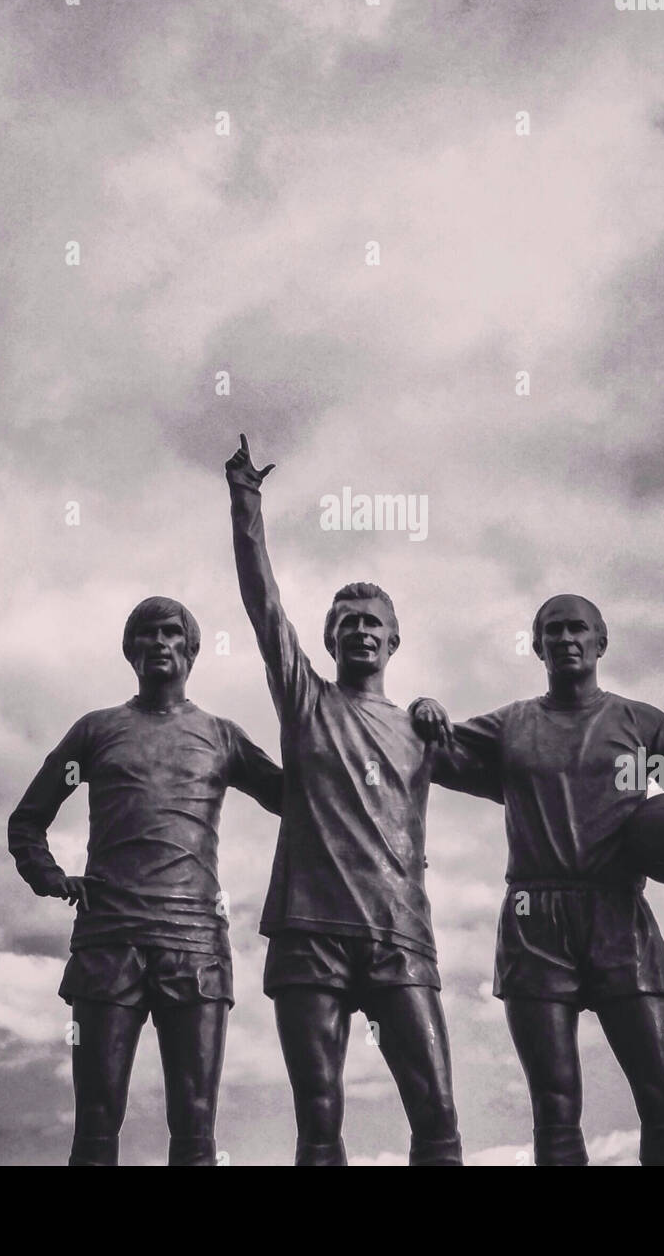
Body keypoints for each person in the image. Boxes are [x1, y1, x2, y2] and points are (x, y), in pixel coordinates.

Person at [411, 593, 664, 1167]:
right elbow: (429, 752)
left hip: (619, 915)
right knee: (555, 1107)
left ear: (600, 642)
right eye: (553, 631)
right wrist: (422, 707)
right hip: (534, 921)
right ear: (536, 646)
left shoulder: (642, 724)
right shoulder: (512, 725)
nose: (566, 639)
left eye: (577, 629)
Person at [226, 434, 467, 1166]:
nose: (360, 629)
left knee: (438, 1113)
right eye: (347, 621)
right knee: (320, 1119)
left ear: (394, 640)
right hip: (310, 930)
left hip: (399, 931)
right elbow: (263, 605)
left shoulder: (425, 731)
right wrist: (245, 500)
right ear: (328, 638)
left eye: (373, 622)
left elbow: (524, 773)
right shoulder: (306, 701)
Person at [8, 595, 283, 1166]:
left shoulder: (221, 736)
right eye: (147, 634)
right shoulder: (96, 731)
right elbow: (28, 820)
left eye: (171, 633)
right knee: (97, 1120)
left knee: (195, 1123)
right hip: (109, 942)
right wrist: (50, 877)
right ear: (130, 650)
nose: (159, 642)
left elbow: (296, 799)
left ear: (192, 649)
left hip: (195, 948)